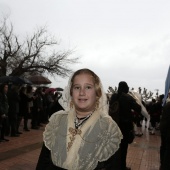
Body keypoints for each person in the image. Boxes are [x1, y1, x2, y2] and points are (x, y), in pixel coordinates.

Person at [36, 68, 122, 170]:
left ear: (97, 93)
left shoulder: (108, 128)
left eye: (88, 87)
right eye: (77, 87)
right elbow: (43, 162)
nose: (82, 92)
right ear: (71, 92)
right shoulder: (57, 120)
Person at [109, 81, 141, 170]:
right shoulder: (127, 97)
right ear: (126, 88)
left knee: (114, 148)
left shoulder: (114, 96)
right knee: (123, 148)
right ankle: (122, 167)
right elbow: (138, 108)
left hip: (114, 126)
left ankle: (113, 166)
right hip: (125, 127)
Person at [160, 99, 170, 170]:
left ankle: (162, 164)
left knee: (164, 148)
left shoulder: (167, 105)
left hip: (164, 131)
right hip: (167, 132)